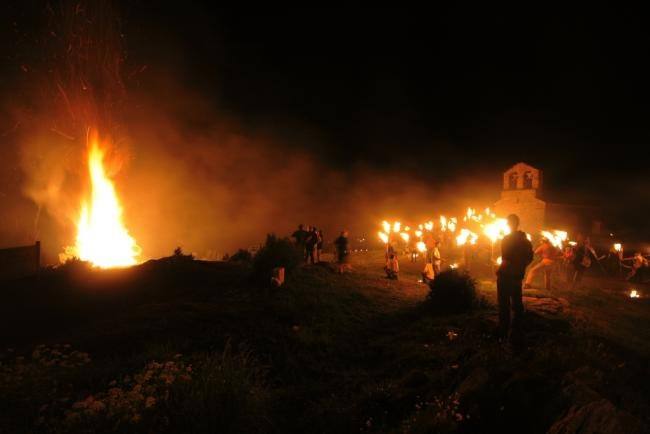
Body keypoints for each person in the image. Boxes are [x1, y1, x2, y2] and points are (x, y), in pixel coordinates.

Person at [496, 214, 533, 346]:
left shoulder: (506, 239)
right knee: (517, 305)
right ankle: (517, 332)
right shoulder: (526, 241)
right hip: (517, 277)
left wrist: (501, 268)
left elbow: (505, 257)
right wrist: (520, 267)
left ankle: (503, 335)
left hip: (505, 276)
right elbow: (530, 258)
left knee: (504, 306)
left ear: (509, 224)